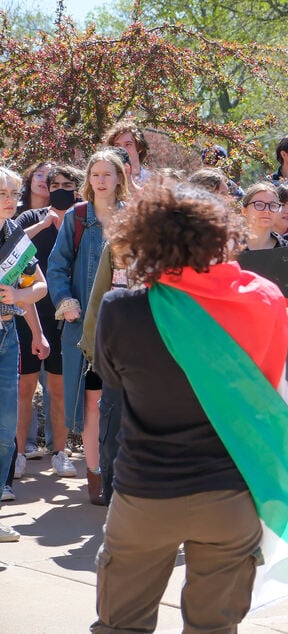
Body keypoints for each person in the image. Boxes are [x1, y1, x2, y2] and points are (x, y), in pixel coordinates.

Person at [90, 182, 288, 631]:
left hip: (144, 494)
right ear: (219, 235)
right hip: (230, 494)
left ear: (143, 237)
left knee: (121, 625)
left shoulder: (122, 309)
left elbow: (113, 378)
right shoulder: (262, 300)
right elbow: (273, 380)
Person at [47, 151, 130, 504]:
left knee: (127, 403)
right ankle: (96, 476)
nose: (100, 180)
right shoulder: (77, 218)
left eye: (107, 174)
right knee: (94, 402)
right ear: (89, 179)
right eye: (95, 174)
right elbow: (56, 266)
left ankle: (124, 475)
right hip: (88, 327)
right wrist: (66, 302)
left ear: (119, 178)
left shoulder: (133, 217)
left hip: (128, 326)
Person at [12, 165, 82, 483]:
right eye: (55, 184)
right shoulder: (30, 217)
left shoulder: (83, 220)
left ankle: (60, 451)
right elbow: (11, 245)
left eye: (68, 184)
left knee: (58, 388)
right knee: (25, 387)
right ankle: (19, 454)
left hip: (65, 315)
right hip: (28, 312)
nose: (61, 189)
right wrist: (43, 225)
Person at [0, 165, 50, 541]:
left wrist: (20, 296)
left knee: (4, 429)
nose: (8, 200)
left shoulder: (15, 236)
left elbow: (40, 287)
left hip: (6, 336)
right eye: (2, 192)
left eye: (12, 194)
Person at [240, 183, 288, 250]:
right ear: (244, 211)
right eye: (259, 204)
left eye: (273, 205)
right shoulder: (229, 248)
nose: (267, 210)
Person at [102, 120, 150, 186]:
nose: (122, 149)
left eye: (128, 144)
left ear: (139, 148)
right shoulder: (105, 180)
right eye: (117, 145)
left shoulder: (150, 180)